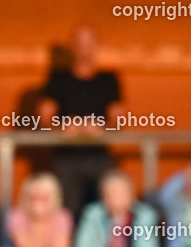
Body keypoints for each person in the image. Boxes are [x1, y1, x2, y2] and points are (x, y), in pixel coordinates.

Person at [37, 26, 125, 219]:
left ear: (96, 46)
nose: (84, 48)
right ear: (72, 47)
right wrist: (63, 129)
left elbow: (119, 120)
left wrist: (101, 129)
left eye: (89, 43)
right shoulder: (58, 79)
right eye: (79, 43)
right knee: (67, 212)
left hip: (99, 156)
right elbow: (44, 119)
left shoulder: (108, 80)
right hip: (67, 157)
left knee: (109, 208)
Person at [71, 170, 161, 247]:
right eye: (111, 193)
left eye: (121, 193)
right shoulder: (92, 216)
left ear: (131, 194)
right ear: (103, 196)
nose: (116, 198)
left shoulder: (145, 217)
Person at [0, 173, 73, 247]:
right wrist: (37, 220)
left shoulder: (62, 217)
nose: (37, 201)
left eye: (43, 197)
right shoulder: (16, 216)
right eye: (33, 197)